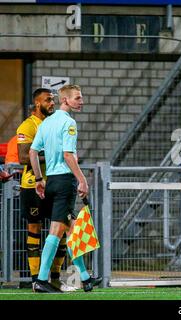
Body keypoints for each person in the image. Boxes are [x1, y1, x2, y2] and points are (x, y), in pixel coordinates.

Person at [29, 84, 102, 293]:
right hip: (64, 183)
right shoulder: (69, 123)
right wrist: (82, 180)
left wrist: (39, 179)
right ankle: (41, 280)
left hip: (51, 181)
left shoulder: (46, 122)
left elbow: (33, 153)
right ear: (66, 100)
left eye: (81, 98)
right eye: (78, 98)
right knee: (56, 230)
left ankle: (86, 279)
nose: (82, 101)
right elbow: (68, 156)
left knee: (71, 231)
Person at [16, 88, 77, 291]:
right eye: (48, 100)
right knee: (35, 230)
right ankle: (36, 279)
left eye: (53, 99)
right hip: (33, 185)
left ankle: (54, 278)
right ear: (37, 103)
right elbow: (24, 156)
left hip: (54, 184)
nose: (52, 103)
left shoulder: (54, 122)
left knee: (61, 229)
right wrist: (53, 154)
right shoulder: (28, 125)